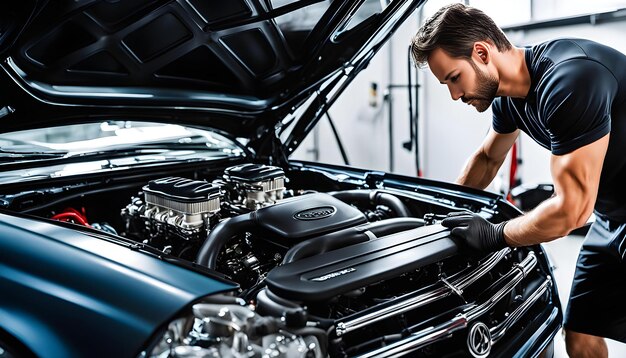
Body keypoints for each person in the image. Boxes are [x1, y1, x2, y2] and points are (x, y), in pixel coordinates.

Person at [410, 3, 626, 358]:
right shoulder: (508, 100)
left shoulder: (569, 81)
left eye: (453, 78)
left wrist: (494, 234)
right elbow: (487, 159)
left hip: (606, 212)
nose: (454, 94)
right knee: (580, 334)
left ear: (481, 53)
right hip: (612, 217)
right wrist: (443, 211)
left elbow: (572, 212)